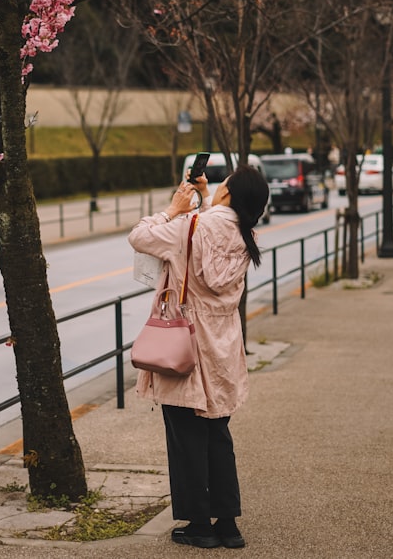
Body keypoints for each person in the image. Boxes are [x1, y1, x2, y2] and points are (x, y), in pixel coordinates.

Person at [127, 165, 270, 549]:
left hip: (185, 346)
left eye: (223, 183)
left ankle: (200, 526)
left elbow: (139, 237)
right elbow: (212, 237)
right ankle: (228, 524)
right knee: (217, 435)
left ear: (228, 193)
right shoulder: (246, 233)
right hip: (222, 346)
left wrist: (174, 208)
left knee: (186, 438)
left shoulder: (188, 226)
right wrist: (204, 201)